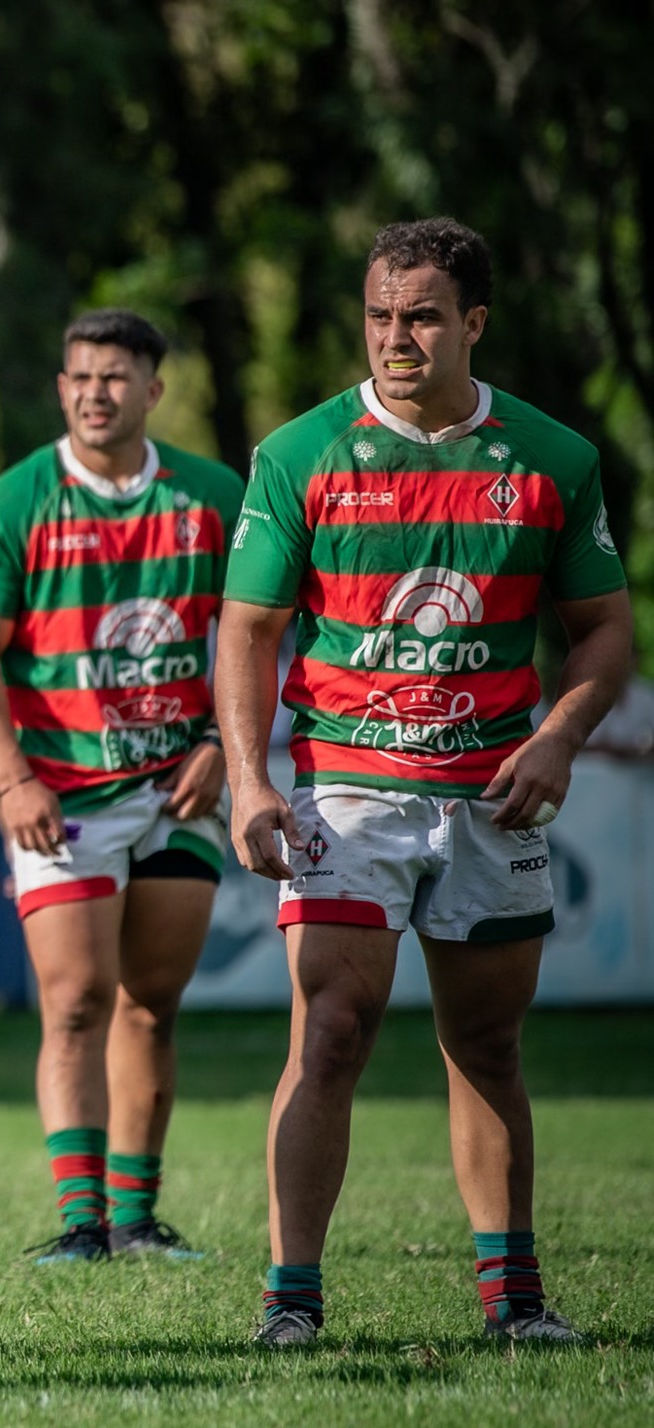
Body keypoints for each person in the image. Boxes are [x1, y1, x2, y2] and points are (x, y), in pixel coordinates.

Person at [217, 217, 631, 1347]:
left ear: (472, 324)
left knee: (485, 1046)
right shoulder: (298, 453)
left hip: (489, 794)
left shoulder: (551, 459)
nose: (394, 338)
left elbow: (600, 633)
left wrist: (555, 735)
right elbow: (247, 629)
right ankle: (289, 1302)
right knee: (333, 1026)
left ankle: (512, 1300)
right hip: (345, 788)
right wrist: (249, 783)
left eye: (421, 317)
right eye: (377, 316)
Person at [0, 309, 242, 1262]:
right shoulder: (11, 503)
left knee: (153, 999)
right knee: (75, 998)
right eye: (78, 377)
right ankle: (80, 1224)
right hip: (61, 793)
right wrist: (12, 781)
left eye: (115, 378)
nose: (94, 393)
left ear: (153, 391)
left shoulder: (212, 498)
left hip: (177, 788)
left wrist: (226, 747)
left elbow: (260, 634)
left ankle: (137, 1216)